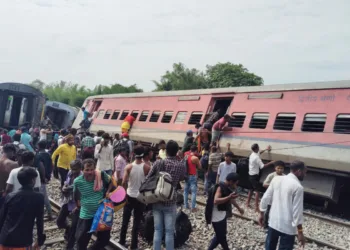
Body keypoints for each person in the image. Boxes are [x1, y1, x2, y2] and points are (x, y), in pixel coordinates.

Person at [147, 140, 186, 250]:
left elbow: (148, 178)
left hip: (157, 199)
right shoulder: (180, 165)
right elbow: (182, 178)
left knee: (157, 230)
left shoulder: (158, 163)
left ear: (166, 150)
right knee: (169, 231)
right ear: (177, 152)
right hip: (171, 201)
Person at [259, 160, 306, 250]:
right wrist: (300, 232)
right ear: (299, 171)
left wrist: (261, 214)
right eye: (304, 171)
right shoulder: (298, 187)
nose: (305, 174)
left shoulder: (276, 179)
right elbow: (297, 212)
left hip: (273, 222)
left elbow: (265, 197)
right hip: (288, 227)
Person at [0, 167, 46, 249]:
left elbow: (2, 217)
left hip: (5, 238)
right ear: (32, 180)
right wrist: (39, 241)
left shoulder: (10, 196)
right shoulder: (39, 197)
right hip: (22, 241)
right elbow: (40, 221)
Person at [74, 159, 113, 250]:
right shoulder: (77, 182)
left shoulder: (100, 175)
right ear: (82, 170)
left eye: (92, 169)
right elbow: (76, 196)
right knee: (81, 240)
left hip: (101, 214)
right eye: (87, 170)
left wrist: (108, 191)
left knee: (104, 239)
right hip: (86, 214)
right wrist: (78, 206)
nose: (90, 172)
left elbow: (111, 181)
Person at [119, 146, 151, 249]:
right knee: (136, 222)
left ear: (133, 153)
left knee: (125, 221)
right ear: (143, 154)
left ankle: (122, 241)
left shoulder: (128, 167)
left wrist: (124, 195)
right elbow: (149, 183)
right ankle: (134, 245)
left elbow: (124, 182)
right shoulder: (147, 167)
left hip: (129, 196)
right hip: (140, 198)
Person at [207, 172, 244, 250]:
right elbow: (216, 201)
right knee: (221, 237)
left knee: (221, 235)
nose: (235, 186)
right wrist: (229, 197)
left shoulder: (227, 187)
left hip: (222, 214)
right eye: (235, 183)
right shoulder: (220, 187)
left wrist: (239, 208)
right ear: (231, 181)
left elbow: (231, 199)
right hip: (216, 216)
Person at [57, 160, 82, 250]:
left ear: (80, 168)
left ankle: (70, 246)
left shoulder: (82, 176)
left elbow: (76, 186)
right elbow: (67, 182)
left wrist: (67, 188)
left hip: (76, 203)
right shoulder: (70, 172)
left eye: (75, 169)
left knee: (74, 228)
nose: (73, 171)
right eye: (72, 169)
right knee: (59, 221)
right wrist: (64, 187)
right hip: (68, 201)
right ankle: (67, 228)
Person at [246, 143, 274, 212]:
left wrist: (266, 149)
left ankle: (247, 203)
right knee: (257, 191)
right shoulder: (256, 157)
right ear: (256, 148)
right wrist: (271, 162)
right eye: (258, 147)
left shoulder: (252, 154)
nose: (259, 148)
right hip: (255, 176)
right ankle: (256, 207)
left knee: (251, 189)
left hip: (250, 175)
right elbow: (262, 166)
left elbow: (259, 153)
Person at [262, 161, 286, 229]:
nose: (280, 170)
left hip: (280, 198)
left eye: (281, 168)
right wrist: (274, 186)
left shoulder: (285, 177)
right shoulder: (271, 175)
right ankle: (265, 224)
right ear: (275, 168)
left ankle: (275, 225)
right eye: (278, 168)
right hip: (271, 197)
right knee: (268, 211)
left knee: (278, 212)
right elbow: (264, 184)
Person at [35, 140, 54, 220]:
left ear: (38, 146)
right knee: (43, 195)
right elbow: (51, 165)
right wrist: (49, 175)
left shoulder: (38, 156)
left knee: (42, 196)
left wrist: (43, 177)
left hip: (41, 178)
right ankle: (49, 213)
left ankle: (47, 213)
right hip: (46, 177)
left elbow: (41, 167)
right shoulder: (48, 154)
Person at [184, 145, 202, 212]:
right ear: (196, 151)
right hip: (192, 176)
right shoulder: (195, 158)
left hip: (186, 175)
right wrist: (198, 159)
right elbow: (200, 167)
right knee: (194, 192)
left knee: (185, 191)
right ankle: (193, 207)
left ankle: (186, 205)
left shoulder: (186, 154)